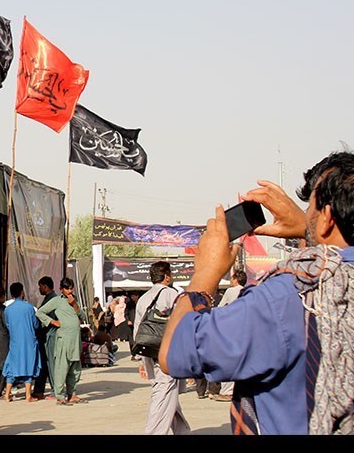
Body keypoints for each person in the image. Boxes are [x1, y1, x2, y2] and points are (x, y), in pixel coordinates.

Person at [160, 151, 354, 435]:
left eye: (310, 207)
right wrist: (308, 229)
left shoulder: (289, 296)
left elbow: (172, 353)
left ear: (326, 218)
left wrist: (205, 272)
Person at [134, 261, 190, 435]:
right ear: (166, 276)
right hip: (165, 351)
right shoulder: (170, 294)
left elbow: (137, 329)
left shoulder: (144, 298)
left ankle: (183, 431)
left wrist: (140, 360)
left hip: (147, 349)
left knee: (167, 393)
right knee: (163, 393)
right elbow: (182, 320)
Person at [36, 277, 84, 405]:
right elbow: (40, 313)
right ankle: (60, 396)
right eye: (67, 288)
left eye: (71, 288)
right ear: (61, 289)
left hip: (75, 340)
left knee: (75, 369)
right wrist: (52, 322)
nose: (69, 291)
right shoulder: (56, 301)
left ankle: (72, 394)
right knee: (62, 368)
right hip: (63, 339)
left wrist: (74, 304)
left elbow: (82, 316)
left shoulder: (74, 300)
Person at [208, 268, 248, 402]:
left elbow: (219, 308)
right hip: (244, 329)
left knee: (227, 359)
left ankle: (227, 391)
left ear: (236, 279)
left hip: (230, 328)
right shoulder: (247, 291)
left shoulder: (231, 291)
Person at [1, 282, 41, 403]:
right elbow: (36, 324)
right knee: (29, 365)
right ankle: (28, 395)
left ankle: (7, 394)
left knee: (12, 365)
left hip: (15, 341)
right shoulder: (29, 308)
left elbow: (7, 325)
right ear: (22, 292)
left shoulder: (7, 310)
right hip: (29, 341)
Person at [32, 276, 57, 399]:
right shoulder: (48, 298)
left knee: (51, 364)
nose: (39, 289)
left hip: (50, 335)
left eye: (40, 286)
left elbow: (50, 317)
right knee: (43, 363)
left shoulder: (53, 299)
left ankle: (55, 390)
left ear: (45, 286)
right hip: (44, 336)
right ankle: (39, 390)